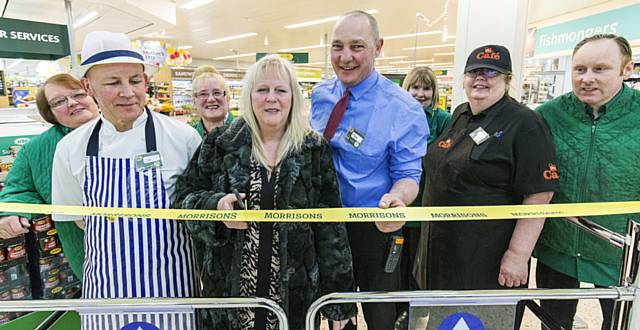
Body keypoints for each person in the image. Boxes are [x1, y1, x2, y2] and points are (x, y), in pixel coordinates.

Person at [174, 54, 356, 330]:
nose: (272, 98)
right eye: (262, 90)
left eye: (280, 90)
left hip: (295, 300)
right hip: (229, 298)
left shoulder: (312, 149)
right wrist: (216, 207)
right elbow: (183, 200)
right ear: (249, 96)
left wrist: (338, 302)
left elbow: (331, 228)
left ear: (293, 97)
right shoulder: (220, 144)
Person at [51, 31, 201, 328]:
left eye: (135, 81)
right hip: (107, 290)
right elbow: (78, 218)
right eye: (113, 83)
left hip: (172, 286)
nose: (128, 92)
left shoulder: (183, 138)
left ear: (146, 82)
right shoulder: (70, 148)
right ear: (87, 86)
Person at [422, 45, 559, 327]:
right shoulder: (461, 113)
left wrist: (518, 256)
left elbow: (540, 194)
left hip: (488, 260)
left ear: (507, 79)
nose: (480, 78)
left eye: (491, 72)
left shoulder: (525, 123)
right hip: (445, 254)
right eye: (473, 71)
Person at [310, 10, 429, 329]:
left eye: (357, 46)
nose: (345, 57)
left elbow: (409, 174)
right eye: (337, 46)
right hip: (323, 225)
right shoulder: (321, 95)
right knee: (333, 312)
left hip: (374, 227)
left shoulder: (403, 109)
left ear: (378, 47)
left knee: (380, 316)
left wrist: (398, 199)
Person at [534, 34, 639, 330]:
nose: (587, 79)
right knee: (553, 321)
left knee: (620, 323)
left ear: (626, 70)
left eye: (600, 69)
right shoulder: (548, 115)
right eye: (580, 69)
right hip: (558, 245)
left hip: (621, 253)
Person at [0, 73, 99, 278]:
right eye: (59, 101)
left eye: (78, 94)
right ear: (50, 113)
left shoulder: (126, 129)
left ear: (93, 95)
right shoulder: (36, 150)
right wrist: (11, 212)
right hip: (84, 247)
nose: (72, 103)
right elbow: (20, 188)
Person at [400, 66, 451, 291]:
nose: (421, 93)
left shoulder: (444, 119)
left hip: (428, 205)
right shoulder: (397, 116)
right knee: (397, 265)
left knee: (422, 267)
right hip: (400, 204)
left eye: (427, 88)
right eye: (415, 87)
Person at [190, 65, 234, 136]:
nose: (211, 99)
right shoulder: (188, 136)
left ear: (228, 98)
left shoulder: (247, 132)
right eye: (203, 94)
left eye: (217, 93)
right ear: (194, 101)